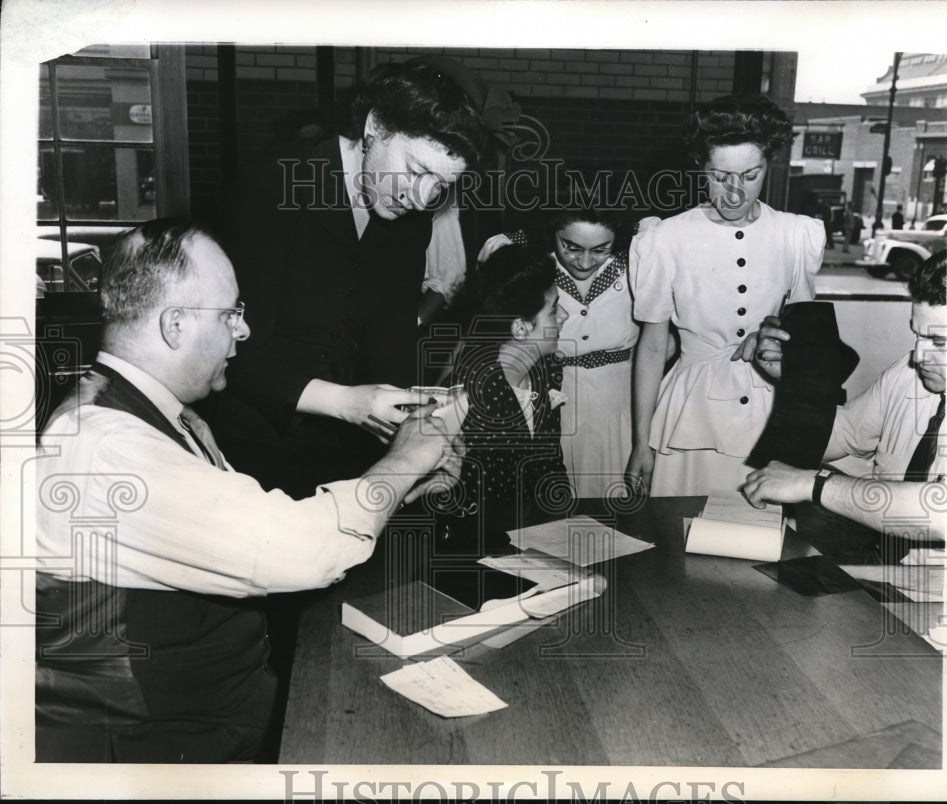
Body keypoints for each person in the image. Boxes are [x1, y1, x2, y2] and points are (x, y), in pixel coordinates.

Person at [34, 220, 462, 763]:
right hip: (153, 756)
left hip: (205, 726)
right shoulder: (107, 449)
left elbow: (251, 526)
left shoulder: (156, 414)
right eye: (232, 314)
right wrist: (409, 456)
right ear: (175, 325)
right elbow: (300, 551)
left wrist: (407, 487)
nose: (244, 332)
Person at [210, 56, 512, 499]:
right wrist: (349, 404)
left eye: (441, 185)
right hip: (256, 449)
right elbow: (232, 349)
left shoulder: (412, 217)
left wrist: (420, 429)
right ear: (375, 127)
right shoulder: (275, 184)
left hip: (351, 447)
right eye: (416, 170)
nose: (422, 197)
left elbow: (390, 337)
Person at [626, 94, 825, 497]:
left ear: (769, 166)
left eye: (750, 176)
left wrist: (774, 337)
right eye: (720, 177)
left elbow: (806, 339)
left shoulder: (798, 234)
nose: (734, 193)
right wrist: (640, 441)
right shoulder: (664, 239)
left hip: (771, 412)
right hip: (689, 412)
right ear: (702, 169)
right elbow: (650, 348)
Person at [743, 251, 947, 555]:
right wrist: (799, 378)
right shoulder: (906, 377)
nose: (919, 356)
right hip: (890, 574)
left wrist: (814, 485)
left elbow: (946, 512)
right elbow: (837, 437)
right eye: (918, 336)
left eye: (940, 341)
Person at [476, 206, 646, 498]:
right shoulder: (527, 265)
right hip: (551, 395)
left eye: (600, 249)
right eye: (572, 247)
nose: (584, 261)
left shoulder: (639, 259)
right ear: (552, 233)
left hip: (622, 399)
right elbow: (487, 335)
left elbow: (661, 342)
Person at [437, 245, 570, 556]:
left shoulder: (545, 368)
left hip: (531, 536)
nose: (564, 316)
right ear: (520, 328)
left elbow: (550, 465)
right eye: (553, 309)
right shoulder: (470, 394)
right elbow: (469, 502)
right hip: (474, 547)